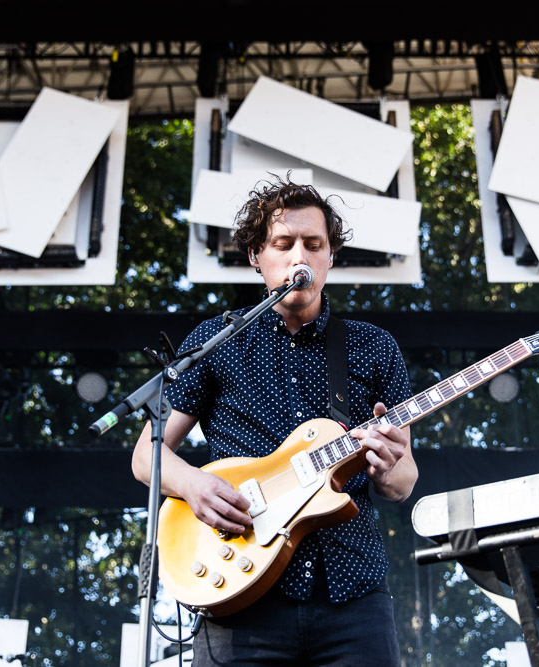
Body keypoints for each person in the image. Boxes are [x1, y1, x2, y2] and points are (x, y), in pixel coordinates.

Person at [131, 177, 417, 666]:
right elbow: (146, 455)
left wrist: (388, 466)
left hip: (351, 592)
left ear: (331, 257)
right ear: (257, 257)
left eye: (314, 244)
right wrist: (195, 486)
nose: (299, 256)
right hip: (239, 587)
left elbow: (402, 482)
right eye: (283, 244)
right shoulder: (217, 339)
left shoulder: (373, 346)